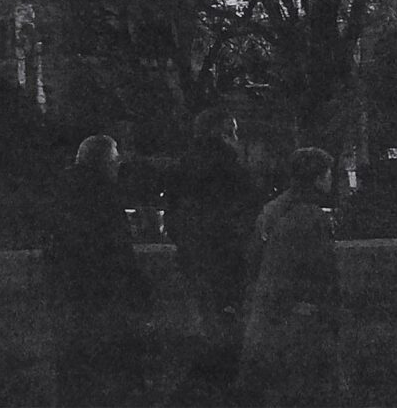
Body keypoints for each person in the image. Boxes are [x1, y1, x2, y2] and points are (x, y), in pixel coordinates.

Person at [42, 134, 151, 407]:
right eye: (115, 160)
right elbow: (116, 250)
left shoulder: (61, 191)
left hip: (69, 292)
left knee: (74, 369)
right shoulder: (103, 196)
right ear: (105, 163)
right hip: (101, 294)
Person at [240, 147, 341, 406]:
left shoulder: (274, 209)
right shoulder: (311, 215)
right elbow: (319, 268)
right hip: (297, 313)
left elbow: (255, 258)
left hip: (270, 310)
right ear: (318, 178)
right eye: (328, 173)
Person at [167, 110, 259, 394]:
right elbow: (248, 215)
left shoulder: (183, 169)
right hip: (227, 263)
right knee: (229, 336)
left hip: (194, 261)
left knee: (207, 329)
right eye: (233, 133)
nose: (237, 139)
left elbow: (173, 219)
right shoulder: (233, 170)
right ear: (221, 135)